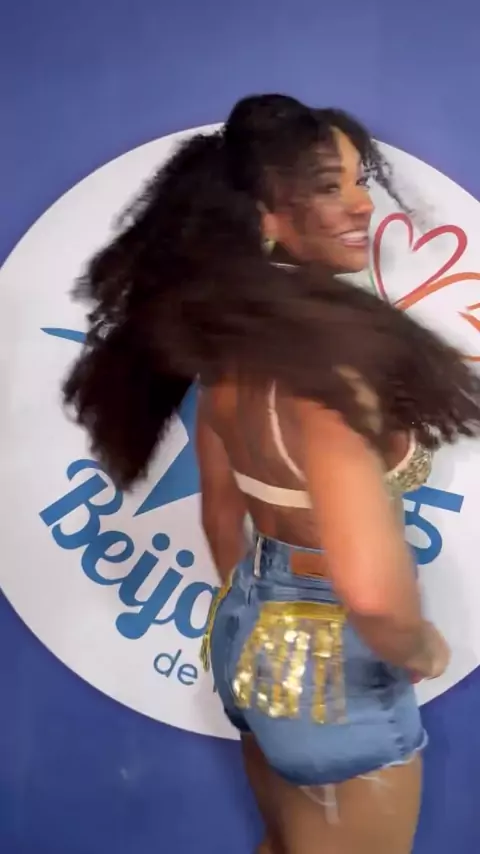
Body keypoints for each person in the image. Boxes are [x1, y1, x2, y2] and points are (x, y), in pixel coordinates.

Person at [62, 95, 480, 854]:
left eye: (358, 181)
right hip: (332, 660)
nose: (361, 204)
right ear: (267, 216)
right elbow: (371, 595)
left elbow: (221, 514)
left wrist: (259, 613)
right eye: (327, 187)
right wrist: (418, 645)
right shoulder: (328, 370)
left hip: (252, 632)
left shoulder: (234, 346)